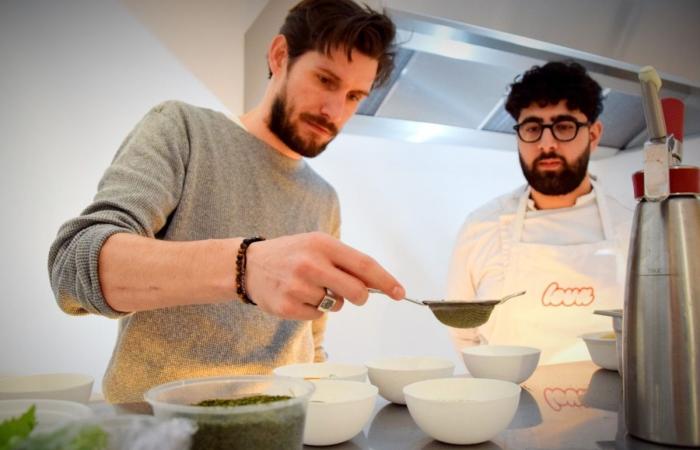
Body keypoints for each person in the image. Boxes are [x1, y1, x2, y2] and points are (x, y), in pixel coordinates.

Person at [48, 0, 405, 403]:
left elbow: (312, 339)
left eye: (354, 95)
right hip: (157, 429)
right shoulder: (183, 129)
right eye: (325, 80)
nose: (335, 110)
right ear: (279, 56)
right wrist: (246, 267)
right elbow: (71, 267)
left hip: (280, 426)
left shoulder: (324, 199)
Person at [447, 61, 633, 364]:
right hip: (512, 406)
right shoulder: (481, 227)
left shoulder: (634, 230)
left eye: (563, 126)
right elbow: (463, 331)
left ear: (594, 135)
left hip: (616, 408)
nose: (547, 144)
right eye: (533, 128)